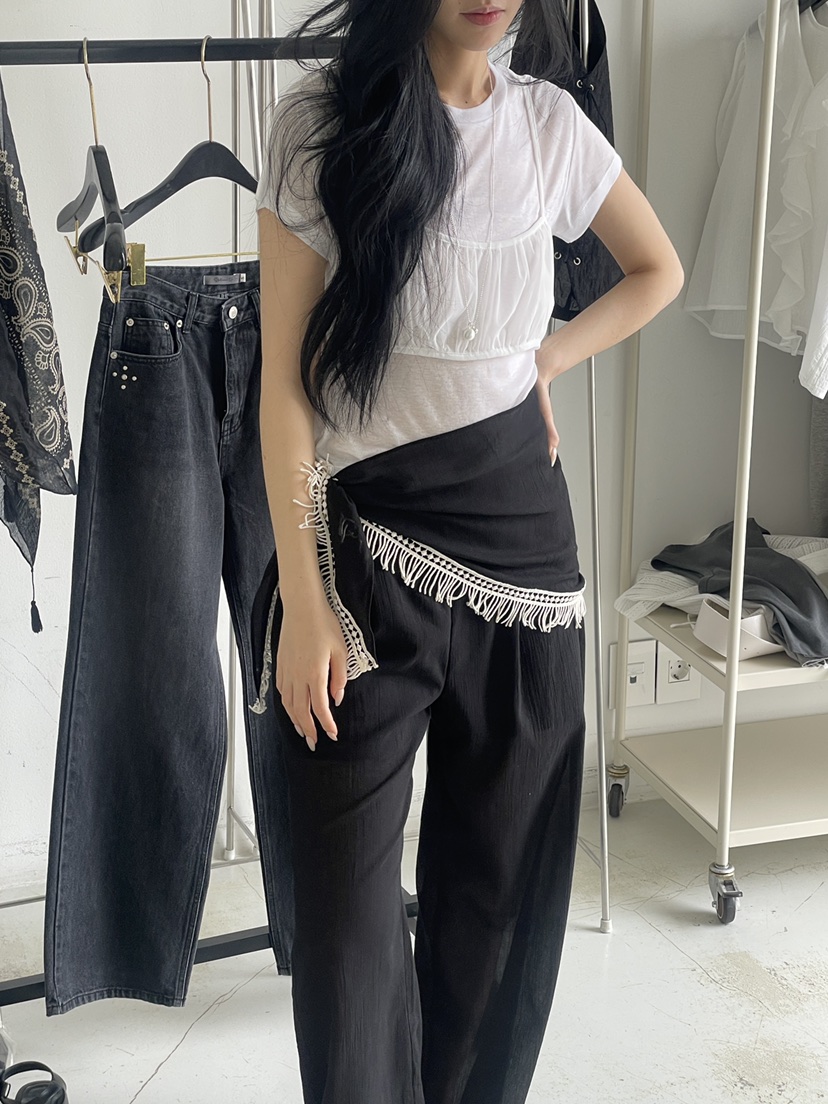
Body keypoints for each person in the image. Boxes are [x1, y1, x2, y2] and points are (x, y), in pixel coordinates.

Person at [253, 1, 684, 1102]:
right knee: (346, 940)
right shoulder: (319, 123)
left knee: (497, 914)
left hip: (526, 563)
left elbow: (657, 270)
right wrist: (302, 597)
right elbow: (285, 388)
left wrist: (548, 359)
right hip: (359, 568)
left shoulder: (548, 125)